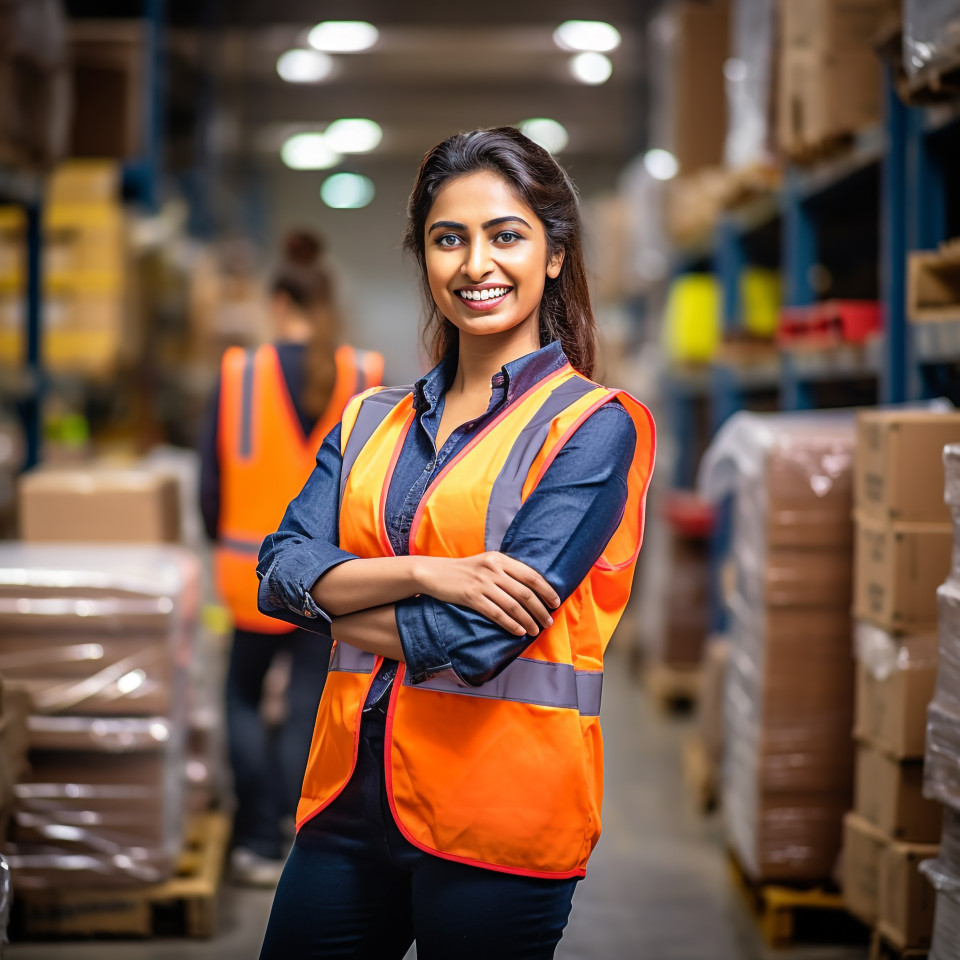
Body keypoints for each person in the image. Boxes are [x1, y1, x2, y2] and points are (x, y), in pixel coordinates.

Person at [255, 128, 655, 958]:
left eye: (506, 235)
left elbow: (475, 639)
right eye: (449, 239)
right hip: (347, 806)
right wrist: (425, 572)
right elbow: (273, 571)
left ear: (553, 255)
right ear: (426, 259)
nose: (477, 264)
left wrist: (328, 599)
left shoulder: (591, 429)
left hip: (499, 820)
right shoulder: (369, 419)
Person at [199, 230, 384, 885]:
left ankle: (255, 840)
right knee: (310, 704)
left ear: (278, 303)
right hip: (336, 579)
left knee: (244, 701)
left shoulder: (236, 374)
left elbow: (210, 487)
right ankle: (294, 827)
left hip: (246, 576)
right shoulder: (366, 375)